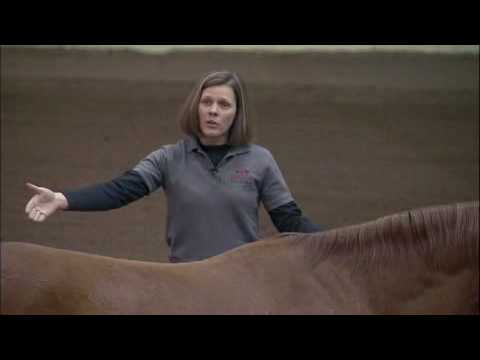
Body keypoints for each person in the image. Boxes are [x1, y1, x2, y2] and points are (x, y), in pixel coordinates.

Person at [25, 70, 322, 263]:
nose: (213, 111)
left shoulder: (260, 160)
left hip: (241, 284)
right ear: (196, 106)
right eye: (207, 102)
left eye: (224, 104)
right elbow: (121, 190)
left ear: (237, 114)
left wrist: (341, 245)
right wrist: (63, 199)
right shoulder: (169, 158)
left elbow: (289, 220)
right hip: (184, 283)